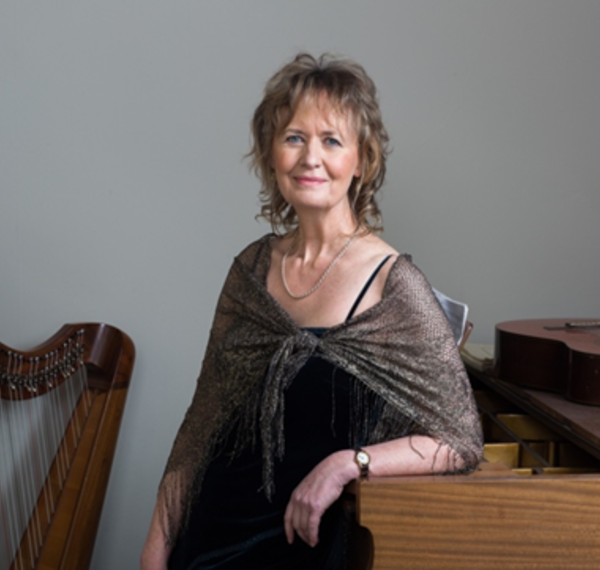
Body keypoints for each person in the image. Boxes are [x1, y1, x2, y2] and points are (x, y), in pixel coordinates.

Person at [141, 52, 483, 570]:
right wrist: (156, 547)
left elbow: (459, 441)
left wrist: (348, 464)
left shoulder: (394, 284)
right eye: (294, 137)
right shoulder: (251, 271)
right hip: (210, 533)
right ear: (270, 153)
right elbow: (201, 424)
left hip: (306, 545)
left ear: (361, 161)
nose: (310, 158)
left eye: (331, 140)